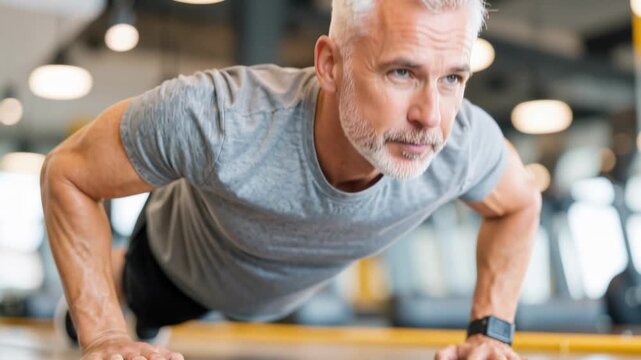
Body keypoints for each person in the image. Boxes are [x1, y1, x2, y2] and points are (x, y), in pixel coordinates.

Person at [40, 0, 542, 359]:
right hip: (184, 268)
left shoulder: (462, 143)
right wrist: (104, 336)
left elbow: (519, 205)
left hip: (287, 289)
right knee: (145, 300)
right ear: (329, 64)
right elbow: (68, 173)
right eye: (401, 73)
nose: (431, 116)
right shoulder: (218, 117)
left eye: (452, 77)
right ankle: (128, 287)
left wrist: (490, 333)